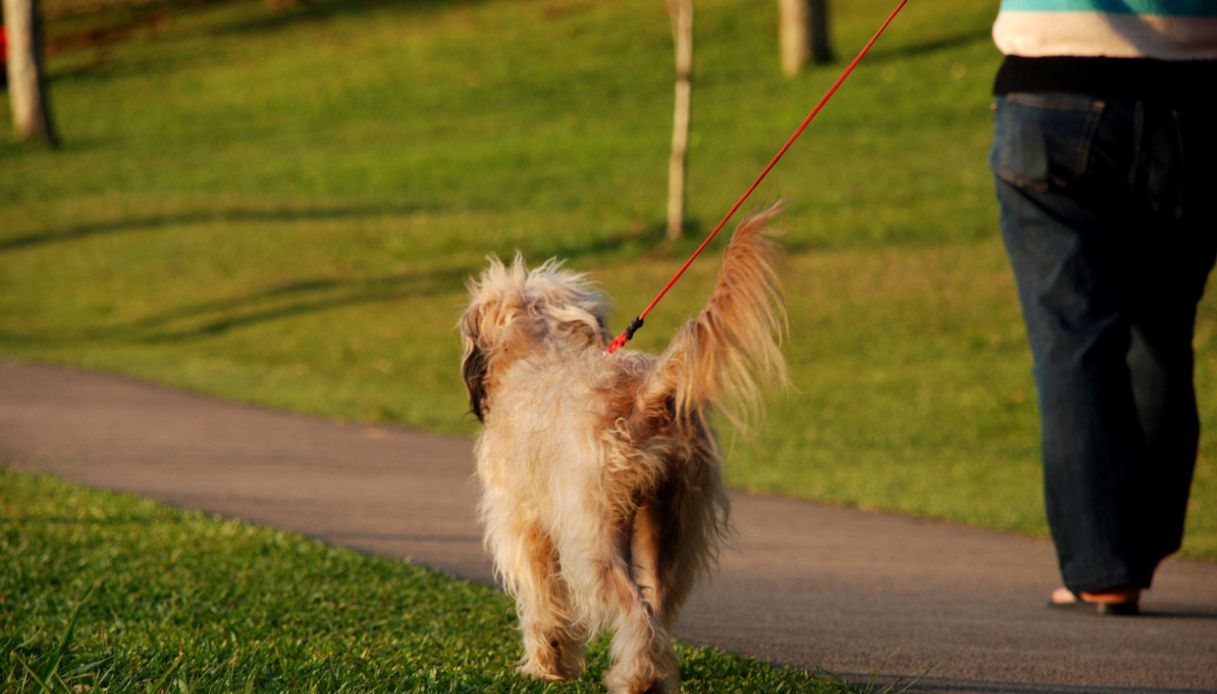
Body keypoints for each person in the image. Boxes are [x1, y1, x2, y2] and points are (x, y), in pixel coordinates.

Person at [989, 1, 1217, 615]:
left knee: (1070, 339)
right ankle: (1133, 552)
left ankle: (1103, 563)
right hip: (1192, 91)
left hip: (1050, 86)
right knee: (1162, 331)